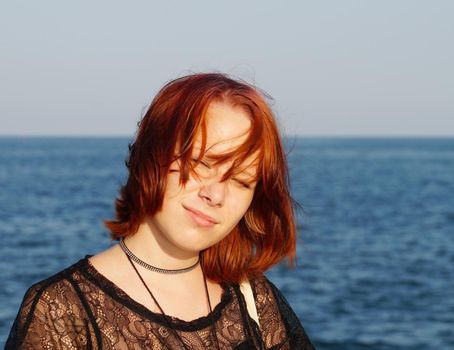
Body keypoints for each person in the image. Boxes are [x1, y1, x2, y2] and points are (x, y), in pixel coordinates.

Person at [6, 73, 315, 349]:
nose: (216, 194)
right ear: (153, 153)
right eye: (201, 164)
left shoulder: (254, 300)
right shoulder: (64, 309)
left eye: (242, 181)